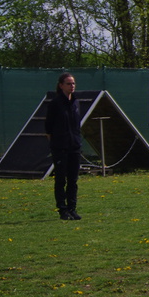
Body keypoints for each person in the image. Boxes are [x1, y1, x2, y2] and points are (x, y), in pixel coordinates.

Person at [44, 72, 84, 220]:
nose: (72, 86)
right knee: (61, 179)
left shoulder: (76, 102)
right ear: (61, 86)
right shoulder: (55, 103)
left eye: (73, 83)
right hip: (60, 147)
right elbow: (48, 127)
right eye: (68, 83)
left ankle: (72, 208)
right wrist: (55, 143)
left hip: (74, 146)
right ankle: (62, 210)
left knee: (73, 180)